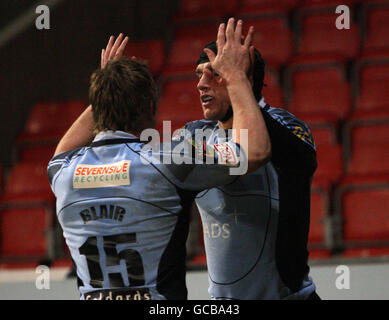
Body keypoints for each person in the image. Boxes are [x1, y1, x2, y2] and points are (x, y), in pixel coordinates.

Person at [47, 21, 271, 300]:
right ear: (149, 108)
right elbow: (256, 151)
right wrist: (236, 77)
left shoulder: (62, 171)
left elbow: (62, 149)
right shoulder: (169, 160)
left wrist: (108, 85)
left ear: (98, 105)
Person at [182, 18, 320, 300]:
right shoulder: (194, 135)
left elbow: (301, 159)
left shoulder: (287, 126)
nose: (201, 84)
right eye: (198, 75)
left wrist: (236, 81)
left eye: (215, 74)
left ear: (243, 77)